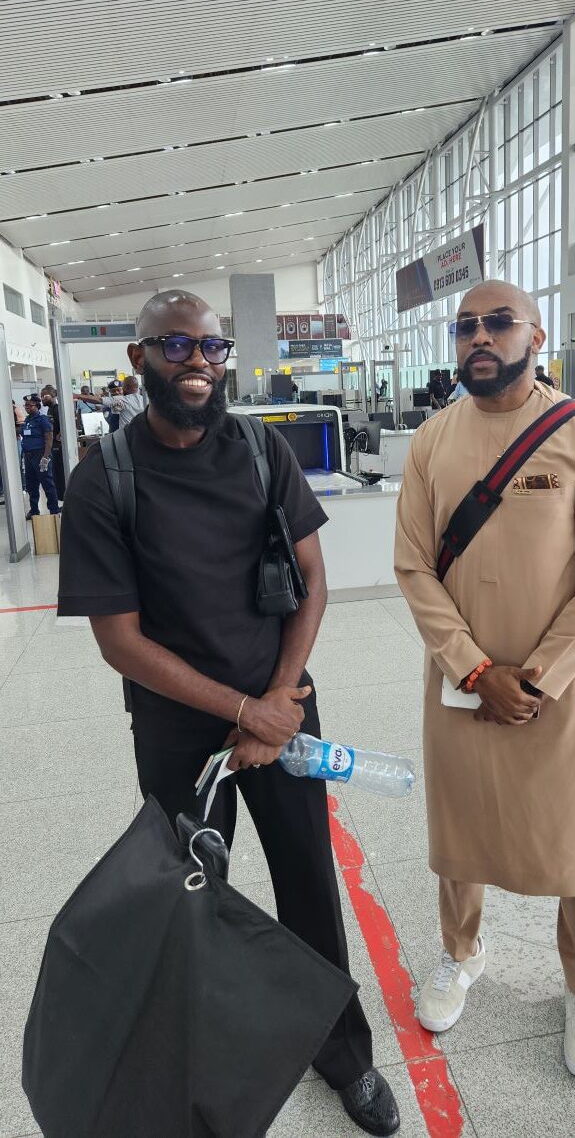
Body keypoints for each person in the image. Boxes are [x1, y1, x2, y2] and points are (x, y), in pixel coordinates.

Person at [57, 290, 399, 1137]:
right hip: (179, 732)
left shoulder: (259, 448)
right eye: (175, 345)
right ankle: (198, 1075)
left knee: (309, 883)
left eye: (210, 346)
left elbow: (312, 580)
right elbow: (120, 642)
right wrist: (243, 709)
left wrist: (276, 704)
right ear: (138, 359)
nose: (199, 362)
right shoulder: (104, 479)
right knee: (189, 904)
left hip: (283, 705)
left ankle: (342, 1052)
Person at [395, 279, 575, 1083]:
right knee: (458, 828)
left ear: (536, 336)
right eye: (465, 325)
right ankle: (461, 950)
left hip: (554, 689)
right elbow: (414, 567)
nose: (479, 336)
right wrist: (472, 667)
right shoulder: (432, 440)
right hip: (457, 682)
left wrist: (537, 677)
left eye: (498, 322)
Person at [22, 395, 60, 519]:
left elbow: (49, 438)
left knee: (47, 483)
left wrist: (45, 457)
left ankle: (54, 510)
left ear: (37, 406)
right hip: (28, 456)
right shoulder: (27, 420)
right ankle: (34, 510)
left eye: (30, 405)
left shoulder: (43, 419)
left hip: (40, 455)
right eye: (26, 405)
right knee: (31, 485)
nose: (27, 407)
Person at [41, 386, 66, 501]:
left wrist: (60, 435)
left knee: (59, 472)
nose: (42, 398)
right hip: (52, 445)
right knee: (55, 473)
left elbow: (64, 424)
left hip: (58, 446)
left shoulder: (57, 409)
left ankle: (63, 497)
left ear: (54, 396)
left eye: (45, 396)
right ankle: (59, 497)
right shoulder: (50, 409)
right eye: (41, 396)